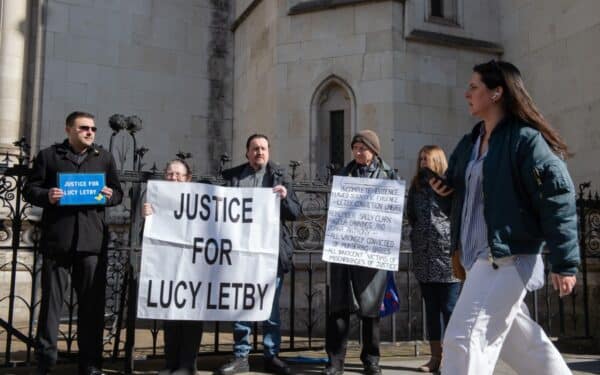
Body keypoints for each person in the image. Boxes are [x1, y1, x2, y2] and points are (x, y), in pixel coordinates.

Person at [431, 60, 580, 374]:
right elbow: (461, 201)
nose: (466, 93)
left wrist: (565, 263)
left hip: (506, 257)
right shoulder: (470, 143)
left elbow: (557, 197)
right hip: (476, 260)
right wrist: (443, 193)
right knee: (526, 347)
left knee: (464, 338)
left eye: (474, 87)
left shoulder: (525, 140)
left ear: (497, 93)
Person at [23, 111, 123, 375]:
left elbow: (118, 192)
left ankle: (90, 363)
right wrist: (48, 195)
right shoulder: (49, 156)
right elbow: (29, 189)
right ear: (69, 129)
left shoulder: (104, 157)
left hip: (91, 243)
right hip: (59, 241)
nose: (90, 132)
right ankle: (45, 361)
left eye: (93, 128)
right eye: (84, 128)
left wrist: (110, 196)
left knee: (91, 306)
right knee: (51, 306)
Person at [216, 134, 301, 375]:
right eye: (254, 149)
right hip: (241, 256)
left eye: (263, 148)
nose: (259, 152)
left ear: (269, 152)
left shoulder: (280, 177)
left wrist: (284, 198)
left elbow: (295, 212)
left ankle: (271, 356)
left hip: (271, 255)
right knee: (242, 307)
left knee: (270, 310)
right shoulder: (232, 178)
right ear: (247, 153)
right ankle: (241, 356)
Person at [322, 130, 398, 375]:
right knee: (339, 307)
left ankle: (371, 360)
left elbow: (394, 209)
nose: (357, 152)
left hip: (372, 251)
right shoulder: (344, 174)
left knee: (370, 308)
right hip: (345, 248)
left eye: (362, 148)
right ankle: (335, 361)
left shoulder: (388, 176)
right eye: (355, 147)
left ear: (373, 151)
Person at [142, 159, 203, 375]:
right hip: (167, 266)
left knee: (190, 316)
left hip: (194, 267)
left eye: (178, 174)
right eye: (169, 174)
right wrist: (147, 217)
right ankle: (170, 363)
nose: (173, 178)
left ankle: (188, 364)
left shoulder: (199, 200)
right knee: (170, 314)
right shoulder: (157, 202)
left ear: (187, 179)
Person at [406, 145, 460, 373]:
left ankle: (454, 358)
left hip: (447, 256)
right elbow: (411, 215)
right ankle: (436, 357)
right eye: (420, 159)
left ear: (437, 161)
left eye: (426, 159)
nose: (422, 163)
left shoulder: (450, 185)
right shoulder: (416, 186)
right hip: (424, 255)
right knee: (431, 309)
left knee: (450, 308)